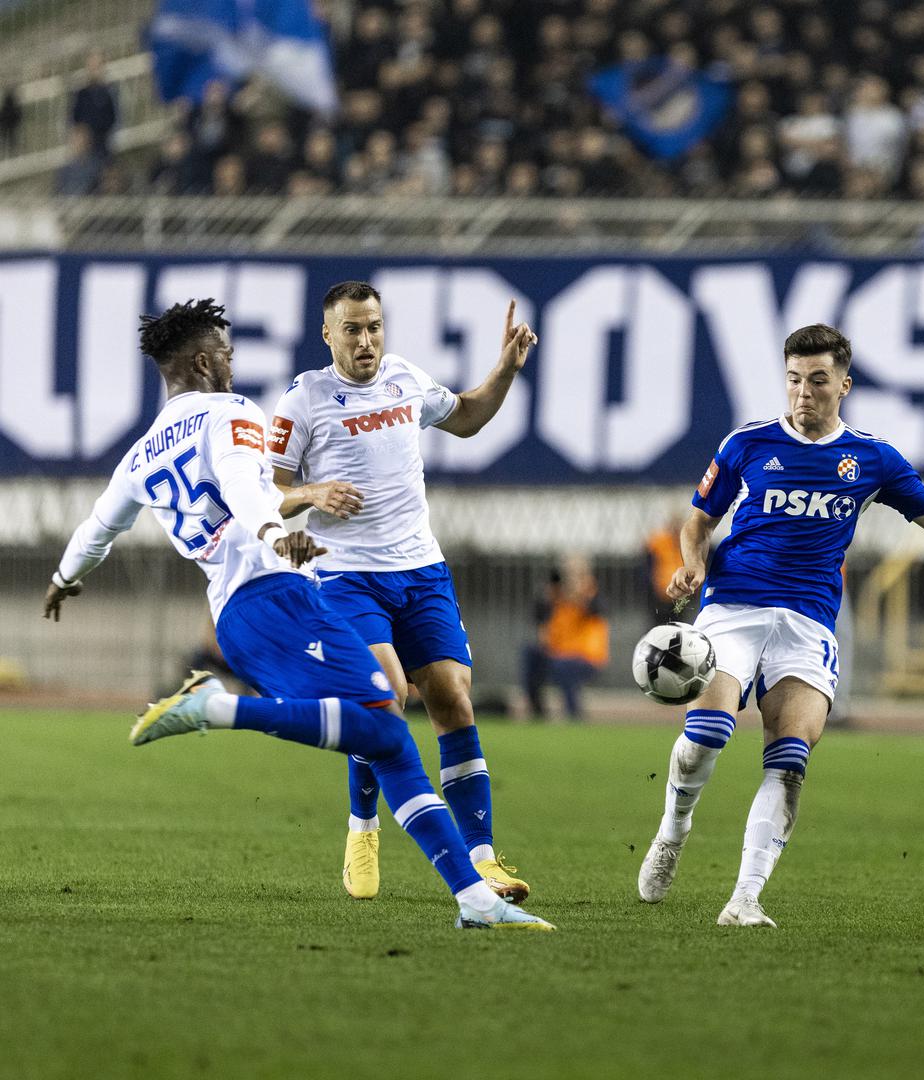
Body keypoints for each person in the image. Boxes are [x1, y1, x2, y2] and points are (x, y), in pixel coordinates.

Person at [42, 298, 550, 930]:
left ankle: (472, 895)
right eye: (225, 352)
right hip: (279, 593)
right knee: (382, 718)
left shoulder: (141, 452)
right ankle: (217, 708)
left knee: (384, 727)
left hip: (251, 609)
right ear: (203, 361)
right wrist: (276, 531)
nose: (232, 360)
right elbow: (247, 485)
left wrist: (63, 579)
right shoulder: (235, 413)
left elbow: (96, 529)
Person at [636, 323, 924, 928]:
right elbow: (698, 520)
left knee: (789, 760)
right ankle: (673, 830)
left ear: (844, 385)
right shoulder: (746, 444)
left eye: (817, 381)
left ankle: (745, 898)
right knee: (707, 733)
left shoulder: (872, 459)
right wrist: (692, 565)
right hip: (734, 607)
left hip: (808, 623)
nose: (803, 393)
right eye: (793, 380)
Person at [268, 282, 536, 903]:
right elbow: (266, 490)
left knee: (453, 702)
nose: (366, 341)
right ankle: (362, 829)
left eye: (374, 327)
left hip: (421, 570)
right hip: (345, 574)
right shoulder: (304, 400)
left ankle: (483, 859)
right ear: (327, 335)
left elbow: (467, 418)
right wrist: (311, 494)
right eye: (353, 330)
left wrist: (505, 369)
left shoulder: (405, 380)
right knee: (385, 697)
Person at [532, 555, 609, 720]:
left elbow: (597, 610)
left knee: (564, 665)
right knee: (531, 654)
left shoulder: (593, 593)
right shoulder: (555, 595)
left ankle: (573, 713)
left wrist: (578, 595)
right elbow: (540, 615)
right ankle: (537, 712)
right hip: (559, 651)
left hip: (586, 656)